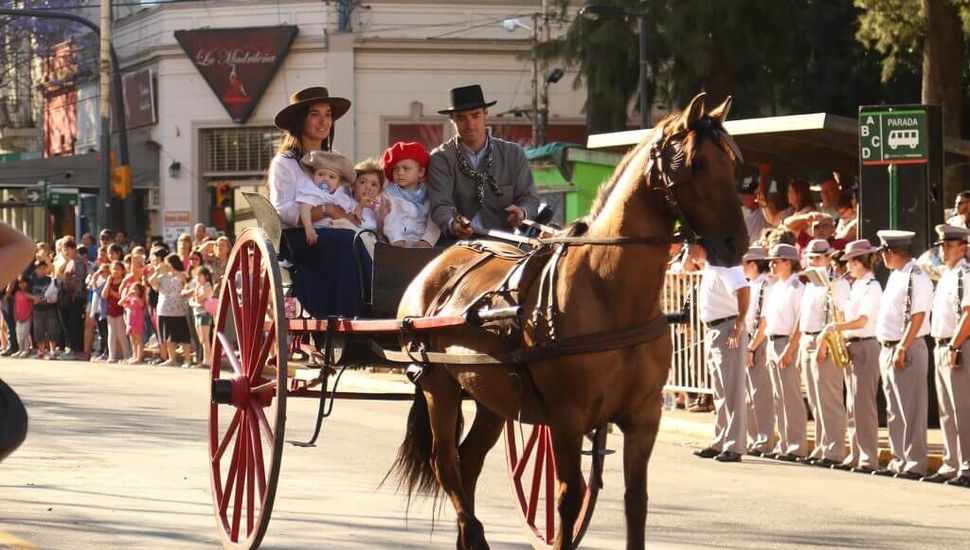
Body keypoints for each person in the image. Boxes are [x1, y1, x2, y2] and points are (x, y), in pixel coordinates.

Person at [267, 86, 370, 318]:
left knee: (368, 240)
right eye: (315, 114)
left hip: (337, 230)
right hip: (299, 239)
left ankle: (375, 309)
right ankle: (348, 314)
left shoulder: (335, 158)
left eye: (328, 114)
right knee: (346, 241)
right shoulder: (285, 163)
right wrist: (326, 210)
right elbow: (283, 212)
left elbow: (344, 200)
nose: (324, 121)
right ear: (299, 120)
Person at [426, 84, 539, 241]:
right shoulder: (441, 159)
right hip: (457, 247)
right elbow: (440, 205)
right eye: (461, 118)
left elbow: (529, 199)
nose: (470, 124)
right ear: (451, 119)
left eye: (475, 115)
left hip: (505, 245)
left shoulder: (513, 154)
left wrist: (522, 213)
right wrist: (453, 224)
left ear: (486, 113)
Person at [873, 230, 933, 479]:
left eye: (884, 252)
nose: (883, 257)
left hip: (906, 346)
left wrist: (903, 346)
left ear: (892, 252)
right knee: (895, 409)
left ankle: (914, 462)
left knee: (911, 408)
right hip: (889, 346)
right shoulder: (898, 275)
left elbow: (917, 316)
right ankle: (899, 458)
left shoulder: (916, 277)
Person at [821, 239, 882, 473]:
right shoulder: (856, 285)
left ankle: (868, 457)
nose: (848, 267)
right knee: (852, 404)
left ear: (859, 262)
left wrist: (834, 328)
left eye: (851, 262)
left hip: (866, 344)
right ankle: (856, 454)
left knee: (864, 405)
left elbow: (863, 321)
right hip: (853, 344)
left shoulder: (871, 286)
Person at [685, 244, 750, 463]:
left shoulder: (725, 266)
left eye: (692, 246)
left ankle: (734, 445)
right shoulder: (711, 268)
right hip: (715, 328)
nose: (690, 251)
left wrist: (739, 324)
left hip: (727, 326)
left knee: (732, 390)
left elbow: (743, 290)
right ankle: (720, 441)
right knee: (721, 390)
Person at [921, 225, 970, 486]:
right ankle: (952, 462)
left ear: (963, 247)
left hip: (959, 345)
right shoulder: (947, 275)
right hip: (942, 344)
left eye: (949, 245)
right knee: (948, 411)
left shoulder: (966, 274)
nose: (943, 249)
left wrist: (954, 345)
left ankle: (967, 466)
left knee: (964, 409)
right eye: (942, 245)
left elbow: (968, 314)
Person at [753, 243, 808, 461]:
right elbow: (766, 319)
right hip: (772, 341)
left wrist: (789, 349)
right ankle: (785, 444)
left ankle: (796, 446)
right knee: (779, 397)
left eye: (776, 261)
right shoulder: (776, 287)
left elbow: (799, 323)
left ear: (788, 262)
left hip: (786, 341)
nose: (772, 265)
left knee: (791, 397)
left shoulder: (797, 288)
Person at [799, 239, 849, 467]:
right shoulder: (811, 284)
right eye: (810, 257)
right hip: (808, 338)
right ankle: (822, 446)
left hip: (825, 340)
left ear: (829, 258)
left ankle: (834, 450)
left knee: (829, 399)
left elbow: (838, 316)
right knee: (816, 400)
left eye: (818, 257)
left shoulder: (837, 283)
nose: (813, 261)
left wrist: (826, 343)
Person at [741, 245, 774, 456]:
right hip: (749, 340)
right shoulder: (752, 285)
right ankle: (754, 439)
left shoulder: (765, 287)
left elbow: (764, 321)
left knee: (760, 394)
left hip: (758, 342)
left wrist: (752, 347)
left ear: (753, 264)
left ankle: (764, 440)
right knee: (750, 395)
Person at [382, 141, 440, 248]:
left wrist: (427, 241)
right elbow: (390, 219)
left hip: (422, 244)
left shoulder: (429, 193)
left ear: (421, 172)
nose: (400, 173)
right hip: (396, 244)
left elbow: (435, 220)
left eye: (406, 168)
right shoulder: (390, 194)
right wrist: (397, 240)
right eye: (396, 169)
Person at [297, 150, 360, 245]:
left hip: (339, 228)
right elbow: (304, 208)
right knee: (354, 239)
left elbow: (349, 212)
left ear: (338, 183)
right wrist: (309, 228)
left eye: (331, 177)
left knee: (361, 237)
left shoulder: (340, 196)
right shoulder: (313, 192)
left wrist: (356, 212)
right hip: (322, 230)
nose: (325, 179)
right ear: (313, 176)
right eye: (321, 174)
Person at [149, 254, 193, 367]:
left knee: (183, 336)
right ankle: (172, 359)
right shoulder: (162, 277)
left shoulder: (181, 274)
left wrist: (173, 270)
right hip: (164, 310)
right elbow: (152, 283)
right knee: (168, 336)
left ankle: (188, 359)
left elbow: (186, 279)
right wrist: (157, 271)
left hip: (178, 310)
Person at [59, 239, 88, 360]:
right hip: (69, 297)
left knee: (75, 323)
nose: (65, 253)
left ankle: (77, 349)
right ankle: (72, 347)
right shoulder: (70, 262)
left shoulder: (78, 261)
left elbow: (79, 280)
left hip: (77, 297)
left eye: (66, 250)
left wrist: (64, 280)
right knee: (70, 323)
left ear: (72, 249)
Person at [28, 260, 59, 359]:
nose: (42, 270)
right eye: (39, 268)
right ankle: (41, 350)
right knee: (38, 330)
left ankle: (52, 350)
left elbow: (56, 288)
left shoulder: (50, 280)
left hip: (50, 308)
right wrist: (34, 298)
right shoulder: (32, 281)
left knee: (52, 329)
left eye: (44, 268)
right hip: (37, 309)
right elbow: (25, 292)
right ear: (35, 270)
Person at [101, 261, 129, 363]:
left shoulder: (124, 282)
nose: (115, 271)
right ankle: (112, 355)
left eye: (118, 269)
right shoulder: (110, 282)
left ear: (122, 271)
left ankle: (126, 355)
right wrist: (108, 283)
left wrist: (112, 291)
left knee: (121, 334)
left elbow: (120, 296)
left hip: (121, 311)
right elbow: (104, 295)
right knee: (112, 334)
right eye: (113, 269)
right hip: (110, 311)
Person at [189, 266, 214, 369]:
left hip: (204, 314)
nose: (197, 277)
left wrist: (196, 300)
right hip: (198, 313)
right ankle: (205, 359)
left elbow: (200, 299)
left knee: (205, 338)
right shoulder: (198, 287)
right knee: (201, 338)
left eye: (200, 275)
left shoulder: (207, 286)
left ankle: (208, 360)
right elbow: (194, 300)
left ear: (206, 276)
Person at [739, 179, 771, 247]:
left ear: (755, 195)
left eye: (746, 194)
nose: (743, 198)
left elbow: (762, 199)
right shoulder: (743, 212)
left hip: (760, 251)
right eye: (743, 194)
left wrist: (763, 175)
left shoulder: (763, 212)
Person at [121, 282, 147, 364]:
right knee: (133, 340)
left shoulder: (139, 299)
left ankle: (139, 358)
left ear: (139, 291)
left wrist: (135, 297)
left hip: (137, 322)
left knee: (138, 340)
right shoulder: (130, 299)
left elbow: (142, 304)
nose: (134, 290)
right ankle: (134, 355)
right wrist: (127, 295)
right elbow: (120, 303)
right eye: (132, 288)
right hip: (130, 322)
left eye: (136, 289)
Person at [12, 276, 32, 358]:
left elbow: (31, 307)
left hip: (27, 318)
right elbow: (15, 305)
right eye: (20, 282)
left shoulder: (29, 294)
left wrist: (26, 316)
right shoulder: (17, 293)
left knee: (25, 334)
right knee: (19, 335)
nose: (22, 284)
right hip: (18, 318)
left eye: (24, 282)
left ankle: (26, 350)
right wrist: (15, 316)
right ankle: (20, 350)